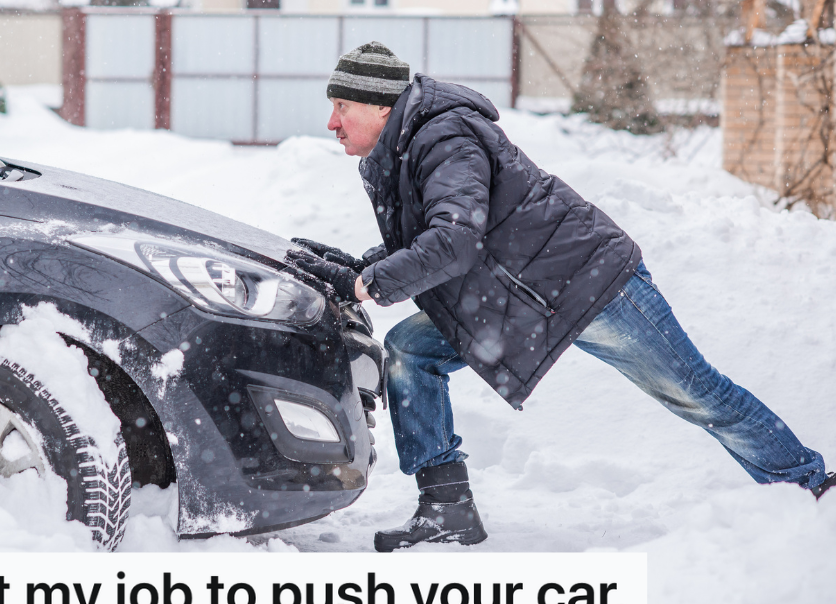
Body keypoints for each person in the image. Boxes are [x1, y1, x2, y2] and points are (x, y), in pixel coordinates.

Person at [286, 42, 835, 553]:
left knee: (694, 391)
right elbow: (433, 236)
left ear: (382, 106)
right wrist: (360, 267)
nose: (332, 122)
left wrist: (366, 285)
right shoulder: (408, 146)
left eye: (342, 106)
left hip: (589, 284)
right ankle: (447, 507)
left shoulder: (444, 138)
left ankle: (811, 486)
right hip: (520, 298)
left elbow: (454, 240)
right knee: (411, 350)